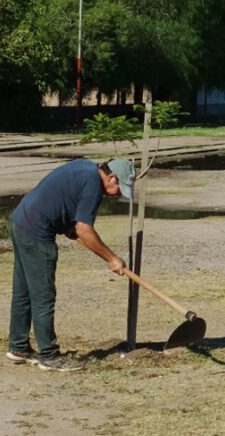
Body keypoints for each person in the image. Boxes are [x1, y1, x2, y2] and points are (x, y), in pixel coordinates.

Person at [7, 158, 135, 371]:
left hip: (20, 222)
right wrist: (113, 259)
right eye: (119, 188)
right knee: (43, 296)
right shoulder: (93, 185)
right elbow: (84, 229)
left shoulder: (84, 168)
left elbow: (73, 223)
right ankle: (49, 355)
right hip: (37, 231)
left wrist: (69, 228)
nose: (118, 194)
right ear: (111, 177)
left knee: (25, 291)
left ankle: (18, 347)